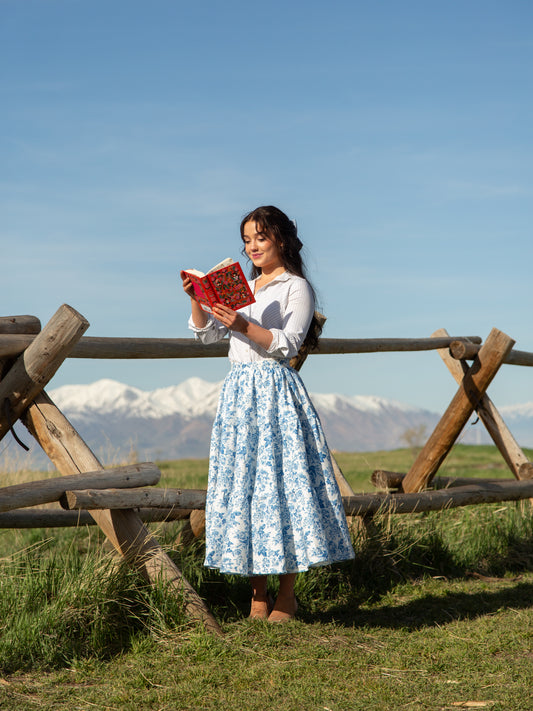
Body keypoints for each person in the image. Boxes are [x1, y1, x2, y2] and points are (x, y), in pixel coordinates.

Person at [181, 205, 354, 622]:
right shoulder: (245, 286)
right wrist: (199, 302)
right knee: (247, 491)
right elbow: (207, 337)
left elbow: (286, 344)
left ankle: (287, 597)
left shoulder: (296, 287)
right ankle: (257, 595)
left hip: (275, 391)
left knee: (283, 489)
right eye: (246, 240)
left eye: (260, 237)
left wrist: (240, 324)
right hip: (239, 395)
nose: (252, 246)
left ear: (281, 239)